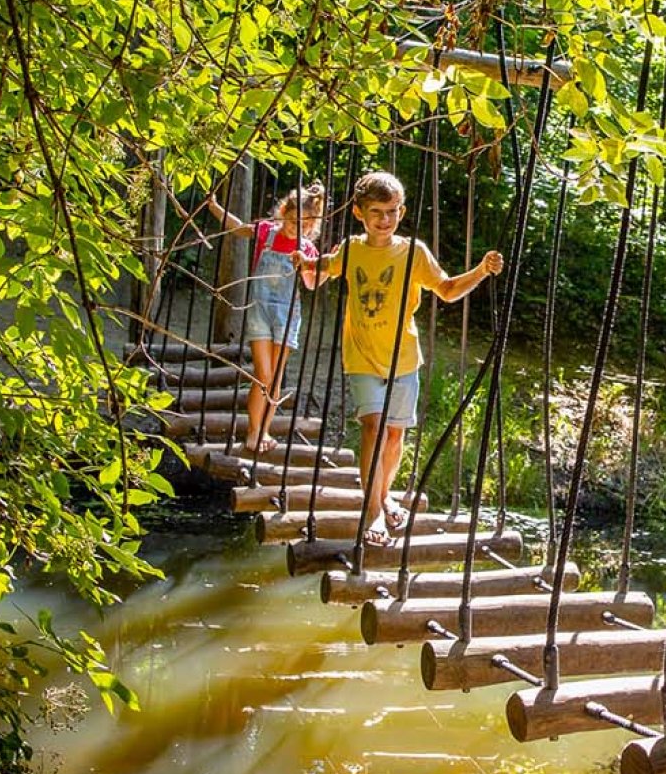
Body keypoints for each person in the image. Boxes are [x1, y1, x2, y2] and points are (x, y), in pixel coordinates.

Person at [312, 171, 502, 546]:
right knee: (374, 427)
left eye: (392, 211)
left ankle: (384, 493)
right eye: (377, 211)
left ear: (402, 211)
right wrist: (304, 263)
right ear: (358, 212)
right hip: (363, 356)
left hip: (404, 358)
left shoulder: (413, 252)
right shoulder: (350, 250)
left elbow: (446, 291)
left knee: (395, 436)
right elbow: (320, 272)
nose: (385, 219)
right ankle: (374, 511)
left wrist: (481, 271)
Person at [206, 182, 324, 455]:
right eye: (294, 222)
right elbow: (237, 227)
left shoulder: (306, 249)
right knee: (263, 373)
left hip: (287, 314)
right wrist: (214, 207)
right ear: (284, 211)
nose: (297, 230)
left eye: (304, 227)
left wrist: (314, 265)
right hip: (260, 311)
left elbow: (311, 283)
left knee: (276, 377)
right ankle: (254, 430)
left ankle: (265, 431)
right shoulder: (266, 233)